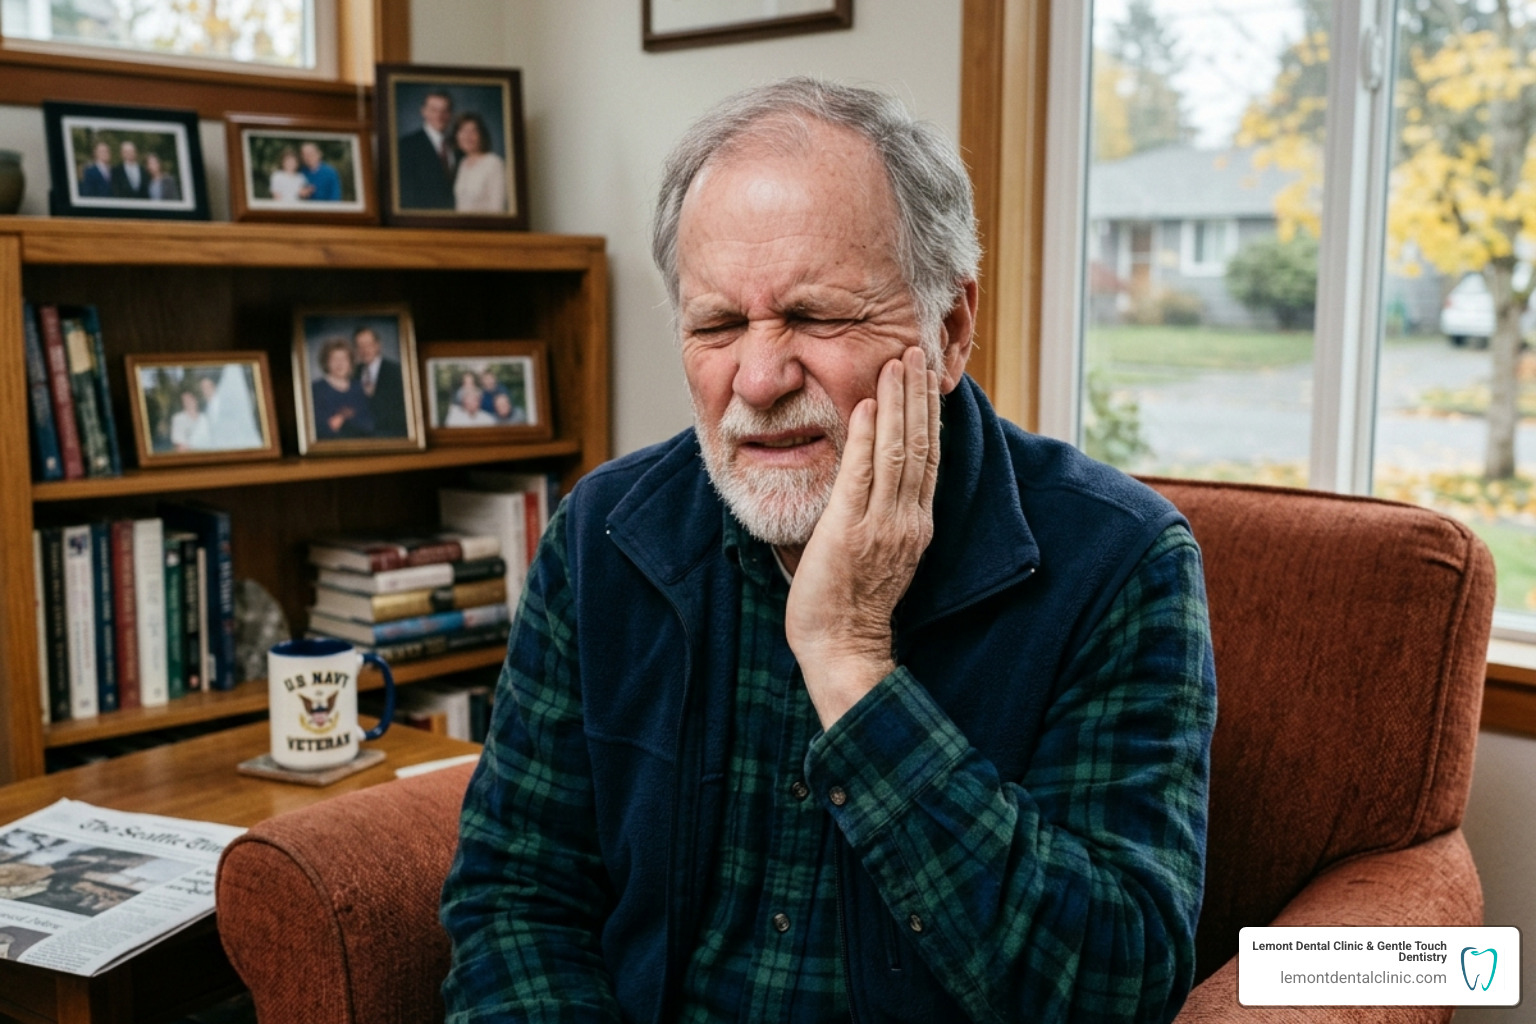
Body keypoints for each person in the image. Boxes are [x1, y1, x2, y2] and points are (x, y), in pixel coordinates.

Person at [440, 78, 1216, 1023]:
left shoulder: (1122, 566)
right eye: (718, 326)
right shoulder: (603, 537)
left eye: (817, 316)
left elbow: (1116, 985)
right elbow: (515, 902)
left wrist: (851, 662)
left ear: (952, 328)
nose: (758, 380)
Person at [396, 89, 457, 210]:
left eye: (444, 111)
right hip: (423, 223)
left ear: (450, 114)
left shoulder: (458, 146)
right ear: (423, 112)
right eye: (434, 110)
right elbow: (406, 194)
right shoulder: (407, 145)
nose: (439, 116)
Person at [311, 339, 374, 439]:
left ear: (350, 364)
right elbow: (318, 428)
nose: (339, 364)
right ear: (326, 362)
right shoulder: (316, 389)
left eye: (344, 359)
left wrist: (343, 418)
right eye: (334, 359)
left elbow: (368, 425)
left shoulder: (357, 388)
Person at [352, 325, 407, 436]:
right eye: (360, 346)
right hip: (361, 435)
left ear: (378, 345)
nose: (364, 350)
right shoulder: (353, 373)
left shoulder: (397, 371)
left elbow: (401, 410)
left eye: (368, 345)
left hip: (390, 434)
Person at [450, 112, 506, 213]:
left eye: (473, 131)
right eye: (463, 131)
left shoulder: (493, 163)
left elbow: (498, 208)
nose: (468, 136)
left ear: (481, 135)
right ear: (456, 136)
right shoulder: (462, 163)